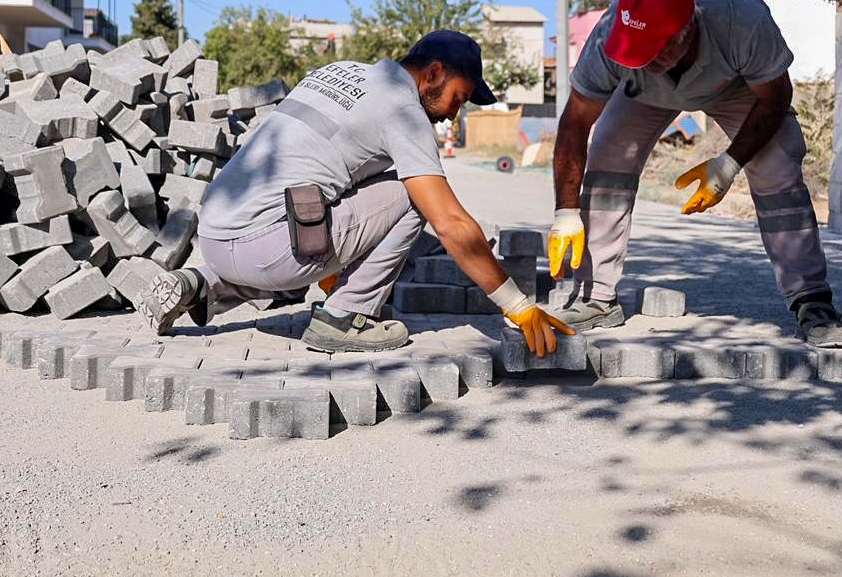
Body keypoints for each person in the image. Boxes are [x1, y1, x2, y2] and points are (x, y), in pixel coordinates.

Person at [139, 30, 571, 356]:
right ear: (434, 72)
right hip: (268, 249)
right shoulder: (403, 111)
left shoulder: (341, 71)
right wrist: (516, 305)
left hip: (214, 238)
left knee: (283, 238)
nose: (454, 116)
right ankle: (344, 317)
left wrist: (329, 262)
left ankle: (198, 286)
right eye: (459, 98)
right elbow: (451, 222)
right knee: (414, 197)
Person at [547, 0, 842, 348]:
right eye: (634, 50)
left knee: (777, 166)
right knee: (607, 154)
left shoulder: (741, 19)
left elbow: (775, 98)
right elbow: (574, 124)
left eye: (652, 51)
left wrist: (728, 164)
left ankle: (812, 300)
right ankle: (596, 297)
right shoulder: (613, 35)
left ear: (686, 31)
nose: (642, 58)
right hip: (643, 93)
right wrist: (566, 213)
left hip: (735, 88)